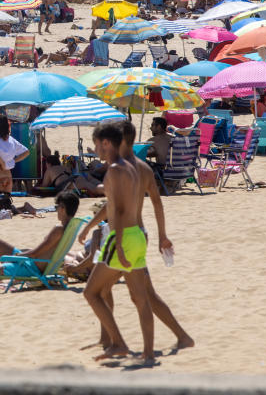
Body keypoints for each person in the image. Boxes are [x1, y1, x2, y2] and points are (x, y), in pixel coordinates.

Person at [72, 120, 193, 350]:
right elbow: (154, 204)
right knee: (111, 290)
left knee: (139, 295)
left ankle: (126, 341)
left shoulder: (123, 168)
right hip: (136, 233)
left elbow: (115, 206)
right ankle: (109, 339)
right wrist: (162, 235)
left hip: (125, 235)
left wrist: (160, 236)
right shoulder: (141, 167)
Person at [82, 123, 154, 364]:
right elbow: (116, 205)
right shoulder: (131, 168)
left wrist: (119, 246)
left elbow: (120, 210)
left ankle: (118, 343)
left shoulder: (114, 170)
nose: (95, 150)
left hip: (122, 237)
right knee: (140, 297)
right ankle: (148, 353)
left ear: (106, 143)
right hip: (138, 235)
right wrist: (90, 226)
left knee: (91, 292)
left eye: (96, 144)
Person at [0, 114, 29, 195]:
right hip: (7, 176)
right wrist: (13, 161)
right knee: (5, 202)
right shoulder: (11, 140)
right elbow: (26, 152)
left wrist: (2, 163)